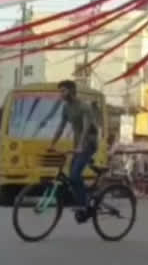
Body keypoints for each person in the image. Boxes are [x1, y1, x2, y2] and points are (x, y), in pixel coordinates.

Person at [45, 80, 99, 218]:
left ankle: (83, 206)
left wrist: (81, 145)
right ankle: (84, 199)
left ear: (72, 91)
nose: (61, 94)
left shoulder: (84, 107)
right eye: (60, 91)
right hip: (78, 145)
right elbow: (61, 127)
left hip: (89, 143)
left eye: (63, 91)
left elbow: (86, 128)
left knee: (75, 175)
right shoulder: (66, 108)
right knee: (71, 177)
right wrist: (52, 144)